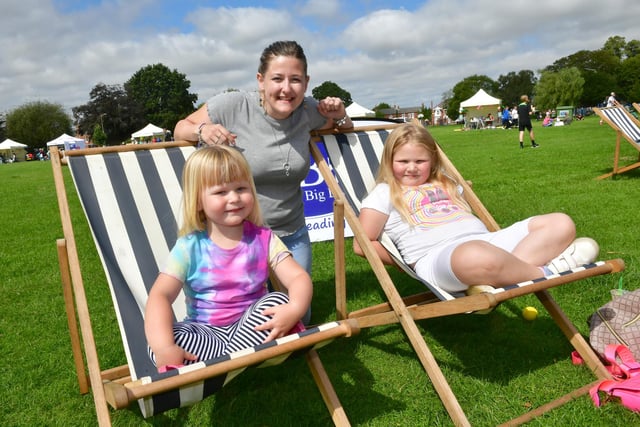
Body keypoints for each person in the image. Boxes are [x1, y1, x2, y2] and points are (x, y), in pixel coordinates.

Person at [174, 41, 351, 318]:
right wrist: (202, 130)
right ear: (260, 80)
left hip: (290, 232)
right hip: (238, 239)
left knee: (299, 316)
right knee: (241, 319)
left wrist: (340, 114)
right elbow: (179, 129)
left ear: (306, 83)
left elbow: (339, 126)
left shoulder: (308, 110)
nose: (286, 88)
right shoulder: (231, 105)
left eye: (295, 80)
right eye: (277, 78)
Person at [353, 123, 599, 294]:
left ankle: (500, 276)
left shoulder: (445, 182)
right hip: (439, 258)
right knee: (474, 254)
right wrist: (403, 264)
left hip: (486, 242)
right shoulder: (384, 193)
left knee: (560, 223)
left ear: (433, 161)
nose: (412, 167)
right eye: (403, 161)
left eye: (420, 161)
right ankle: (546, 271)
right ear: (389, 161)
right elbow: (361, 244)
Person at [144, 145, 312, 371]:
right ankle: (236, 358)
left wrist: (295, 309)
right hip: (206, 334)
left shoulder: (264, 238)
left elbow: (297, 277)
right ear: (199, 201)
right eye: (221, 192)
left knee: (278, 301)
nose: (234, 198)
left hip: (249, 327)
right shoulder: (189, 247)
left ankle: (217, 366)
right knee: (163, 340)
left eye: (241, 188)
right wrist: (164, 348)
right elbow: (160, 295)